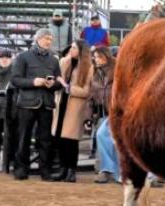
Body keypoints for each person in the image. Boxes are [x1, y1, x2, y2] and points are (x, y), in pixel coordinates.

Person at [10, 28, 63, 180]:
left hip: (46, 104)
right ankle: (21, 169)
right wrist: (34, 82)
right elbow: (15, 79)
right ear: (38, 39)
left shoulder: (54, 60)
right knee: (23, 137)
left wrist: (52, 84)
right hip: (27, 104)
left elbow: (59, 82)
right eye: (47, 39)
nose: (49, 42)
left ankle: (45, 171)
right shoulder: (23, 57)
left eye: (51, 39)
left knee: (45, 139)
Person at [50, 39, 93, 182]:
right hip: (61, 104)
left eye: (74, 48)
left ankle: (71, 170)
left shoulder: (89, 67)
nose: (71, 50)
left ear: (81, 51)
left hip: (75, 107)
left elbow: (86, 91)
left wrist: (70, 89)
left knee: (71, 141)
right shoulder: (64, 61)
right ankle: (63, 169)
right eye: (71, 47)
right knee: (60, 139)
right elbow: (58, 76)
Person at [90, 46, 121, 184]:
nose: (96, 59)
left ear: (106, 56)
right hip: (104, 112)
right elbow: (93, 95)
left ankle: (112, 171)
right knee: (105, 137)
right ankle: (111, 171)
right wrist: (91, 115)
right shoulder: (97, 73)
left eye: (98, 57)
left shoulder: (117, 70)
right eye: (95, 57)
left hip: (118, 111)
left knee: (108, 138)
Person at [0, 51, 17, 171]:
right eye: (2, 57)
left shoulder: (15, 72)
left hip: (10, 107)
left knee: (9, 136)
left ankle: (6, 163)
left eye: (7, 57)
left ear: (11, 59)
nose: (4, 59)